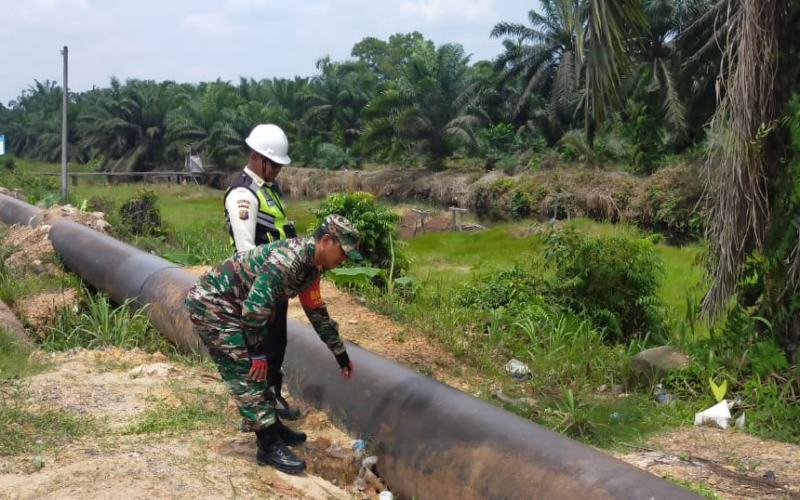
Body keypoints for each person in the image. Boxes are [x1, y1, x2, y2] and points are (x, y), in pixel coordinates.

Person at [185, 214, 361, 473]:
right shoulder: (287, 262)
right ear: (326, 240)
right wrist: (256, 352)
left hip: (237, 308)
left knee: (263, 367)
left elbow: (316, 312)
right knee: (248, 370)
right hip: (213, 304)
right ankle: (267, 444)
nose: (343, 259)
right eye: (343, 252)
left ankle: (273, 426)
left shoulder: (311, 267)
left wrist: (340, 355)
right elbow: (255, 310)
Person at [224, 123, 300, 420]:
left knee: (276, 344)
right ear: (258, 157)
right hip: (260, 287)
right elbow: (246, 253)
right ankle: (258, 411)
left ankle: (273, 398)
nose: (279, 170)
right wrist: (260, 298)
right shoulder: (242, 195)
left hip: (276, 282)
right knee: (262, 349)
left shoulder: (267, 190)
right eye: (275, 164)